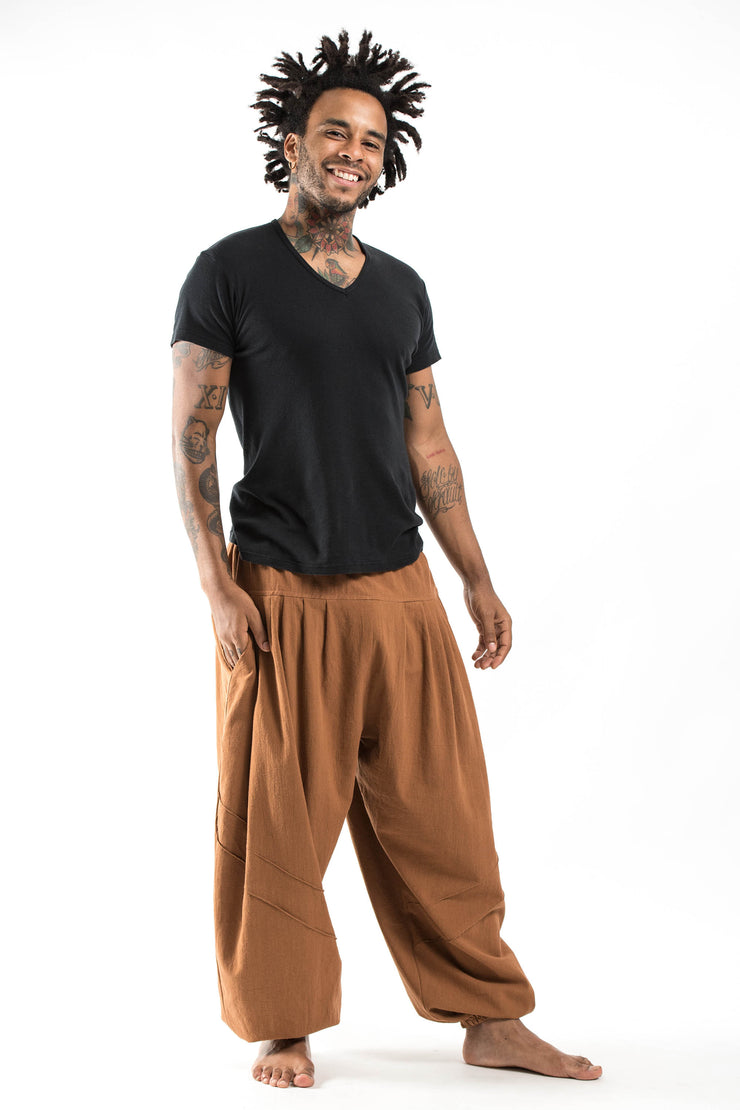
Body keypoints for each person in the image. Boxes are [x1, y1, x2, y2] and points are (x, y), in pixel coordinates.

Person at [170, 28, 602, 1091]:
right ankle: (283, 1026)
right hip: (282, 591)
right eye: (334, 133)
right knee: (277, 828)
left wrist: (475, 576)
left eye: (370, 139)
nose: (352, 152)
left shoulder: (401, 289)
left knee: (446, 820)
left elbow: (429, 444)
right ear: (291, 144)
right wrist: (217, 584)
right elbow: (192, 434)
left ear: (385, 158)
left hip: (400, 591)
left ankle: (491, 1018)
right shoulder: (228, 272)